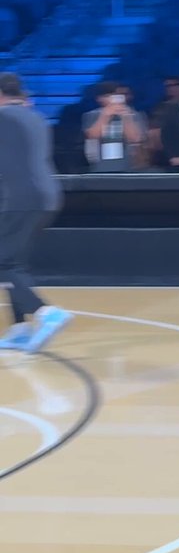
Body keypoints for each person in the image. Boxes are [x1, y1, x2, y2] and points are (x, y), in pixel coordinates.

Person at [0, 72, 72, 352]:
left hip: (20, 197)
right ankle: (19, 329)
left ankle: (46, 313)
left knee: (3, 264)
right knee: (13, 264)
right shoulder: (36, 117)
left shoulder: (4, 117)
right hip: (47, 196)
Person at [82, 82, 146, 173]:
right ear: (100, 99)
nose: (115, 99)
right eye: (110, 96)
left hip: (128, 165)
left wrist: (125, 116)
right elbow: (92, 135)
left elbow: (135, 138)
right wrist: (105, 116)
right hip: (99, 164)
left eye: (119, 95)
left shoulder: (135, 114)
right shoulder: (91, 115)